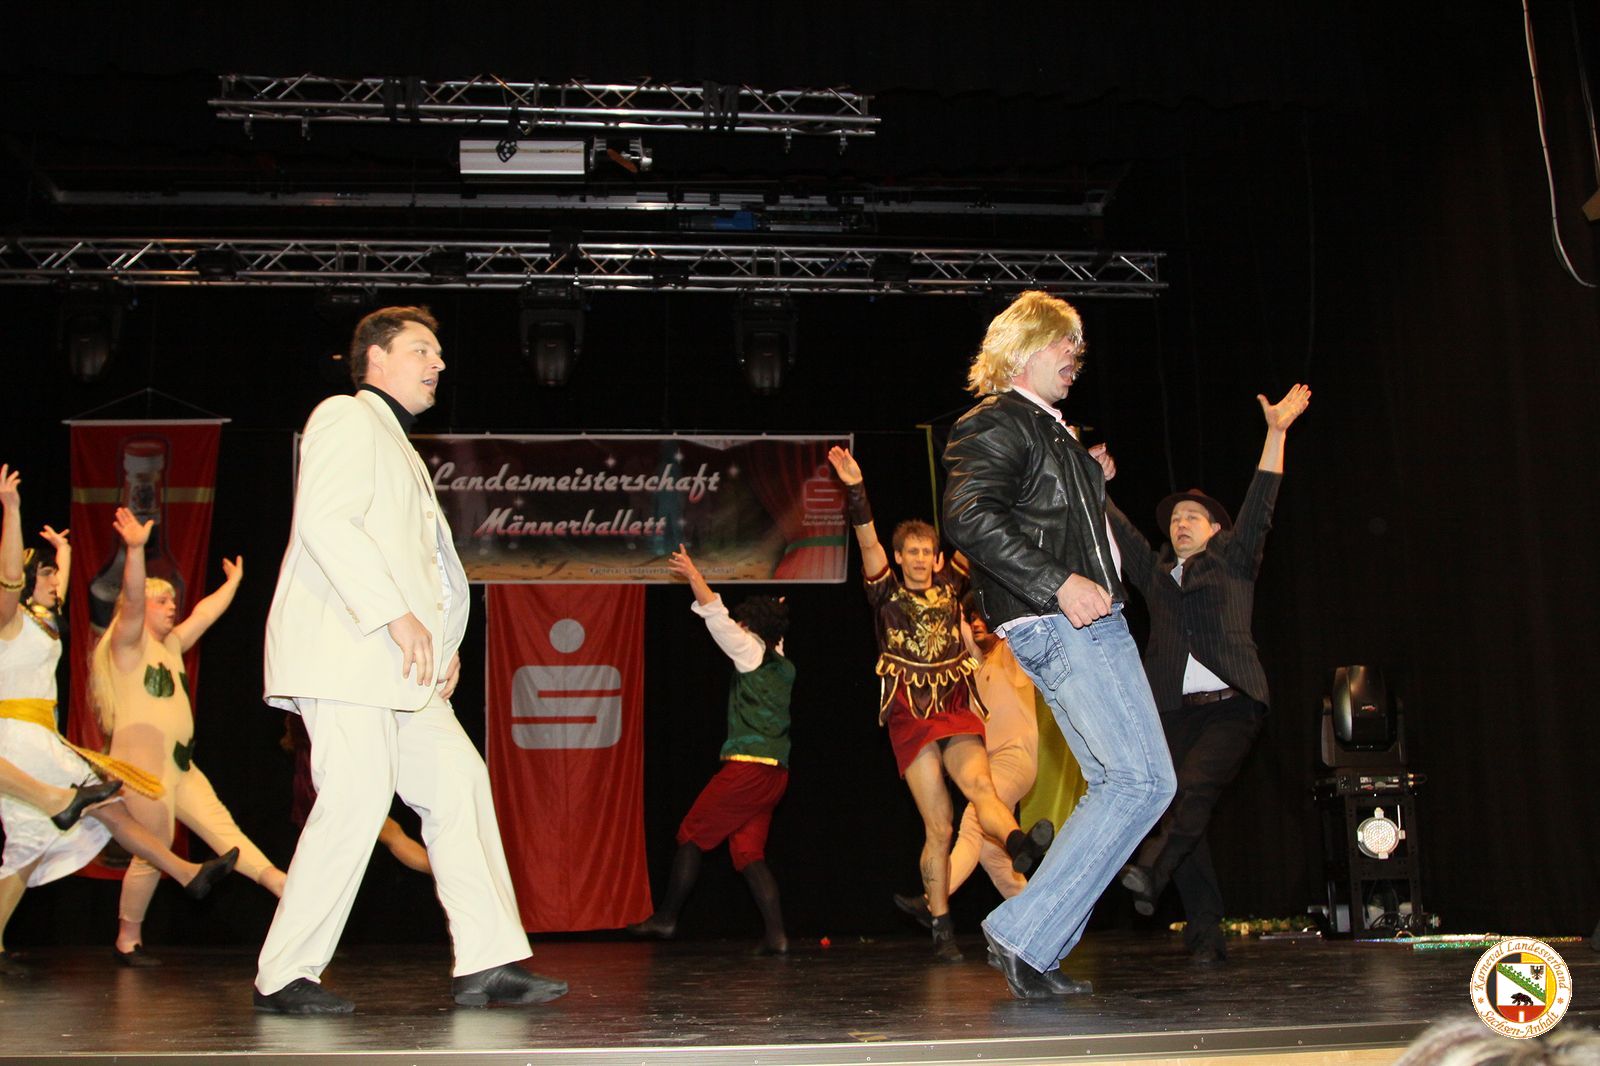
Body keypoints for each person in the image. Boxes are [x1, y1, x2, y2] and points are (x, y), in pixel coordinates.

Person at [256, 306, 563, 1014]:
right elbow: (326, 522)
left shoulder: (400, 447)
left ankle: (486, 963)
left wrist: (443, 647)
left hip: (401, 669)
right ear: (377, 358)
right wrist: (395, 616)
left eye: (438, 352)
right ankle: (284, 974)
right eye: (422, 350)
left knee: (459, 784)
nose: (438, 363)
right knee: (356, 798)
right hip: (348, 651)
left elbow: (427, 569)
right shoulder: (345, 416)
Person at [942, 290, 1176, 998]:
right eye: (1064, 344)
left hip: (1075, 618)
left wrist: (1085, 473)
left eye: (1078, 346)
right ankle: (1025, 932)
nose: (1076, 357)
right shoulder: (996, 418)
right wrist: (1057, 583)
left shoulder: (1048, 429)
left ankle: (1034, 939)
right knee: (1142, 781)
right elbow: (968, 516)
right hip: (1065, 618)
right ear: (1024, 348)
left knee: (1126, 783)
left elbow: (1039, 509)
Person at [1, 464, 237, 978]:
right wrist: (12, 513)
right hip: (13, 737)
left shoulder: (42, 623)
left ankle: (185, 871)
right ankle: (177, 867)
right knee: (71, 819)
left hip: (42, 738)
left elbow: (54, 583)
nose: (54, 582)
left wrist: (63, 553)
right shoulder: (8, 620)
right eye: (45, 576)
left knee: (58, 830)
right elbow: (11, 577)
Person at [1106, 384, 1310, 964]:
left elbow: (1262, 501)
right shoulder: (1157, 574)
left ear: (1216, 529)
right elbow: (1122, 532)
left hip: (1232, 704)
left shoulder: (1234, 560)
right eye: (1175, 519)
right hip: (1172, 710)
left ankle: (1151, 869)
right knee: (1180, 810)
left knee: (1193, 789)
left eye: (1193, 517)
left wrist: (1276, 432)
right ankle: (1205, 935)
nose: (1181, 523)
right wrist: (1093, 483)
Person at [829, 446, 1052, 964]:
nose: (919, 559)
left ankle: (1019, 845)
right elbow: (866, 538)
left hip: (953, 704)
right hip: (910, 713)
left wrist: (1010, 484)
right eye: (910, 552)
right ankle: (941, 925)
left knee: (981, 788)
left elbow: (981, 532)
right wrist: (856, 489)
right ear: (900, 557)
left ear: (935, 558)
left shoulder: (952, 585)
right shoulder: (884, 592)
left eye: (926, 552)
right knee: (941, 825)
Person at [92, 508, 288, 965]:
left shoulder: (173, 646)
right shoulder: (126, 646)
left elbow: (204, 613)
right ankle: (128, 939)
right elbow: (132, 599)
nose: (171, 606)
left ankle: (280, 884)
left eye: (171, 601)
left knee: (224, 831)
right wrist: (135, 551)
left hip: (180, 764)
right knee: (154, 846)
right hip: (142, 767)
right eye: (163, 601)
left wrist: (233, 585)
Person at [626, 545, 794, 955]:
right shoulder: (783, 661)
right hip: (776, 774)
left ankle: (667, 918)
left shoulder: (749, 651)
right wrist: (775, 611)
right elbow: (771, 631)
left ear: (751, 625)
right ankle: (777, 936)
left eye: (744, 621)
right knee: (748, 853)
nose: (738, 625)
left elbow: (715, 614)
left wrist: (693, 574)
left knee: (691, 834)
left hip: (748, 771)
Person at [893, 593, 1039, 925]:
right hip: (990, 765)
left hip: (1015, 757)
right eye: (973, 619)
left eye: (982, 618)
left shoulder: (1009, 655)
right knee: (992, 854)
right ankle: (1039, 921)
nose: (976, 624)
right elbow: (957, 628)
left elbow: (1012, 619)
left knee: (974, 819)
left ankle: (933, 900)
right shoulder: (974, 667)